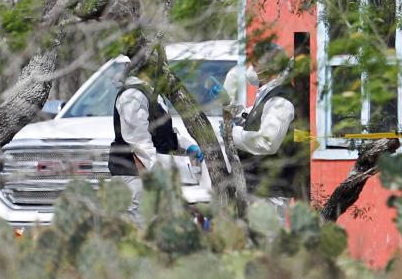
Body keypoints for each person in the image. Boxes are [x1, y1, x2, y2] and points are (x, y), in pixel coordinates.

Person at [109, 46, 204, 220]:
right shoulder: (132, 95)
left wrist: (185, 145)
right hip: (135, 176)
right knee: (139, 230)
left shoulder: (150, 93)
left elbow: (161, 132)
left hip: (150, 174)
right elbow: (139, 143)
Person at [227, 42, 307, 201]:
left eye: (255, 64)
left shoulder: (280, 100)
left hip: (270, 193)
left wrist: (232, 134)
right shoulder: (267, 93)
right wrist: (237, 113)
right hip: (257, 189)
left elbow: (266, 143)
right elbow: (258, 117)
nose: (252, 69)